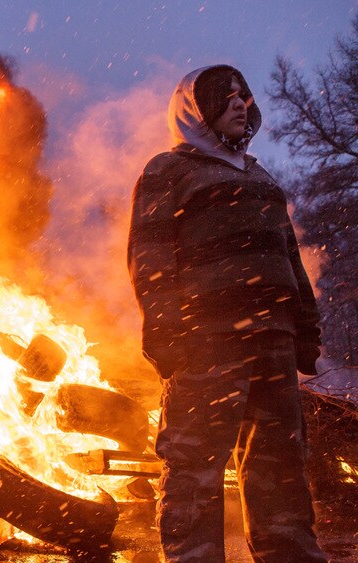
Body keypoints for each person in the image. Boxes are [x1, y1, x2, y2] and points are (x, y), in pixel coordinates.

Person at [127, 64, 327, 562]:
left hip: (274, 340)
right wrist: (165, 332)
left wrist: (304, 328)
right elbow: (150, 258)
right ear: (194, 109)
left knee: (280, 465)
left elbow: (288, 257)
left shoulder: (260, 175)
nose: (240, 103)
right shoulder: (168, 171)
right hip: (207, 341)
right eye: (225, 96)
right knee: (195, 463)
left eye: (243, 95)